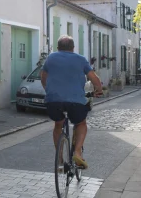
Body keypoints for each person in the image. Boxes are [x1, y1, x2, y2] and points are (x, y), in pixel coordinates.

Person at [41, 35, 102, 170]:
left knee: (58, 124)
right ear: (73, 48)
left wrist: (48, 90)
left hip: (53, 101)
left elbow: (43, 77)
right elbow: (93, 78)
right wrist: (98, 90)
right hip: (76, 102)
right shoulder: (80, 59)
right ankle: (78, 153)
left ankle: (60, 159)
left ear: (58, 48)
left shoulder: (51, 58)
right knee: (81, 123)